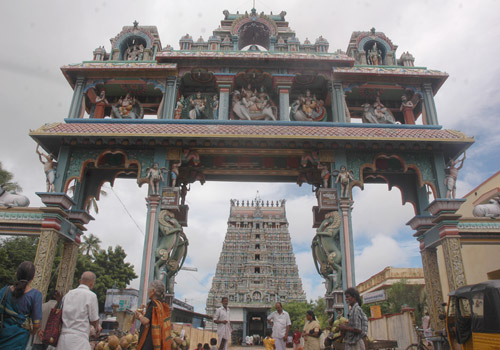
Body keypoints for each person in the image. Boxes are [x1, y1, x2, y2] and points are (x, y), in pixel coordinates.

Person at [0, 261, 42, 350]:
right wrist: (32, 332)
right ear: (33, 277)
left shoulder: (4, 291)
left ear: (17, 274)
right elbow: (36, 325)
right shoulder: (35, 295)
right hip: (19, 339)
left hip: (2, 336)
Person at [56, 271, 101, 350]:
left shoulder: (68, 294)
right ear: (92, 283)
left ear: (80, 281)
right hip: (79, 340)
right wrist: (97, 327)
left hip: (63, 339)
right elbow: (94, 320)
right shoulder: (91, 296)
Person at [135, 280, 171, 350]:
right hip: (159, 342)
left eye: (149, 289)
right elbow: (152, 319)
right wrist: (142, 316)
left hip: (149, 343)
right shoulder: (162, 305)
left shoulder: (153, 304)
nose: (148, 291)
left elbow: (146, 321)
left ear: (153, 291)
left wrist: (139, 315)